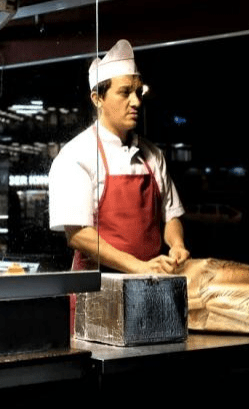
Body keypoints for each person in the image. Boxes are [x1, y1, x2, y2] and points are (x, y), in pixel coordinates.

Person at [48, 39, 190, 274]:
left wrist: (177, 245)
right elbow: (78, 235)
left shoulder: (152, 155)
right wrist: (138, 266)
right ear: (98, 99)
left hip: (148, 281)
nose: (135, 101)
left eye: (138, 92)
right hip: (96, 289)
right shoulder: (75, 155)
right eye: (125, 92)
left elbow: (171, 214)